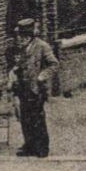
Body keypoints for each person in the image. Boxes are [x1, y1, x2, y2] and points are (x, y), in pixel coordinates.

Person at [8, 19, 59, 157]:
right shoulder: (22, 48)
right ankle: (29, 145)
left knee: (37, 117)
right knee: (25, 117)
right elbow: (20, 64)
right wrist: (15, 70)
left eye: (23, 36)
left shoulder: (42, 46)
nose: (21, 39)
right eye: (20, 36)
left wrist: (42, 76)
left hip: (37, 88)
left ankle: (42, 147)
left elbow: (54, 64)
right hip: (23, 87)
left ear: (30, 36)